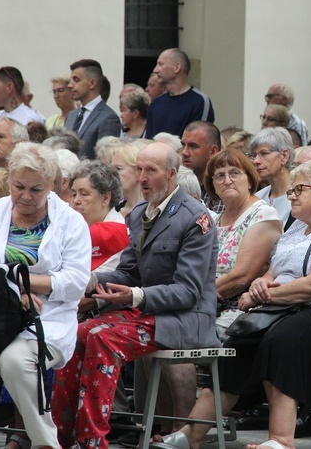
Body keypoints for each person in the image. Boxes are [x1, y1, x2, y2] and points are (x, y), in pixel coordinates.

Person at [154, 161, 311, 449]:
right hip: (290, 309)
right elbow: (275, 272)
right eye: (291, 189)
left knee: (284, 338)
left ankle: (281, 440)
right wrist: (262, 284)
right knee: (242, 339)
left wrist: (263, 295)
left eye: (299, 189)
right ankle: (191, 434)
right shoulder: (296, 228)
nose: (291, 195)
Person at [51, 142, 218, 448]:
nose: (141, 177)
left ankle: (93, 440)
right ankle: (61, 436)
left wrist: (135, 295)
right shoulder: (140, 211)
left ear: (171, 174)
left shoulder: (196, 218)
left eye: (150, 170)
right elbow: (127, 272)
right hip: (147, 313)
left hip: (185, 319)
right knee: (75, 334)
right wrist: (89, 279)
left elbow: (189, 291)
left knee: (102, 337)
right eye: (138, 169)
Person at [0, 142, 91, 448]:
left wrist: (26, 284)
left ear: (52, 185)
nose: (25, 196)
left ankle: (45, 443)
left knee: (15, 361)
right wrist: (13, 290)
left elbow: (77, 282)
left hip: (47, 318)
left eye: (36, 189)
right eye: (18, 186)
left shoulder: (71, 221)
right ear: (8, 179)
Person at [204, 148, 283, 336]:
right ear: (213, 185)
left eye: (235, 173)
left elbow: (241, 277)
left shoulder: (263, 214)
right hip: (207, 303)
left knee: (178, 333)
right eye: (220, 176)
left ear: (249, 180)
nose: (227, 180)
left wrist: (194, 297)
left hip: (240, 307)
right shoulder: (214, 221)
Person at [69, 160, 129, 316]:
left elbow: (86, 299)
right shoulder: (76, 226)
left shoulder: (116, 232)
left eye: (84, 193)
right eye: (74, 193)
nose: (76, 200)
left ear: (106, 198)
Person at [145, 48, 215, 138]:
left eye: (160, 64)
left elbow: (199, 141)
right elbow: (148, 141)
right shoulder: (156, 103)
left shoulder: (199, 101)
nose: (155, 70)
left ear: (177, 67)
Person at [64, 59, 121, 159]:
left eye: (76, 80)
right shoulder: (71, 116)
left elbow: (105, 161)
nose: (70, 85)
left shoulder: (108, 118)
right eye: (71, 80)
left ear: (92, 83)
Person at [252, 127, 295, 222]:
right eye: (254, 155)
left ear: (284, 156)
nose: (256, 161)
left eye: (264, 153)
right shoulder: (258, 198)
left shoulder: (299, 197)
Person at [108, 139, 148, 219]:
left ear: (139, 171)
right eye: (111, 169)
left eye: (118, 169)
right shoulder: (113, 210)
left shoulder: (152, 212)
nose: (112, 174)